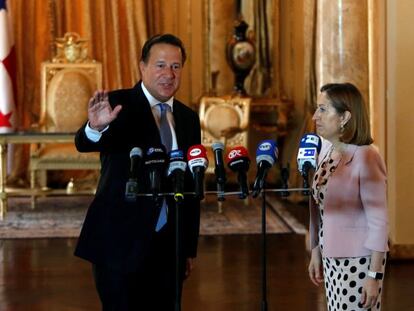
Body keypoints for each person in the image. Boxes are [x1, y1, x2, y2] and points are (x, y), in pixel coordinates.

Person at [74, 34, 201, 310]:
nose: (169, 74)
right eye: (160, 65)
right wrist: (95, 128)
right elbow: (82, 143)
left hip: (169, 246)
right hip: (119, 240)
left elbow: (190, 188)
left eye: (176, 66)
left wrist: (188, 248)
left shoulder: (188, 118)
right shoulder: (118, 104)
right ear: (142, 67)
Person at [308, 83, 388, 311]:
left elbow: (379, 222)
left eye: (323, 109)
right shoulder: (326, 150)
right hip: (330, 258)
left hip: (359, 263)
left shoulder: (367, 157)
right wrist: (315, 251)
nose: (315, 116)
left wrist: (374, 275)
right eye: (317, 108)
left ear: (344, 117)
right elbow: (317, 207)